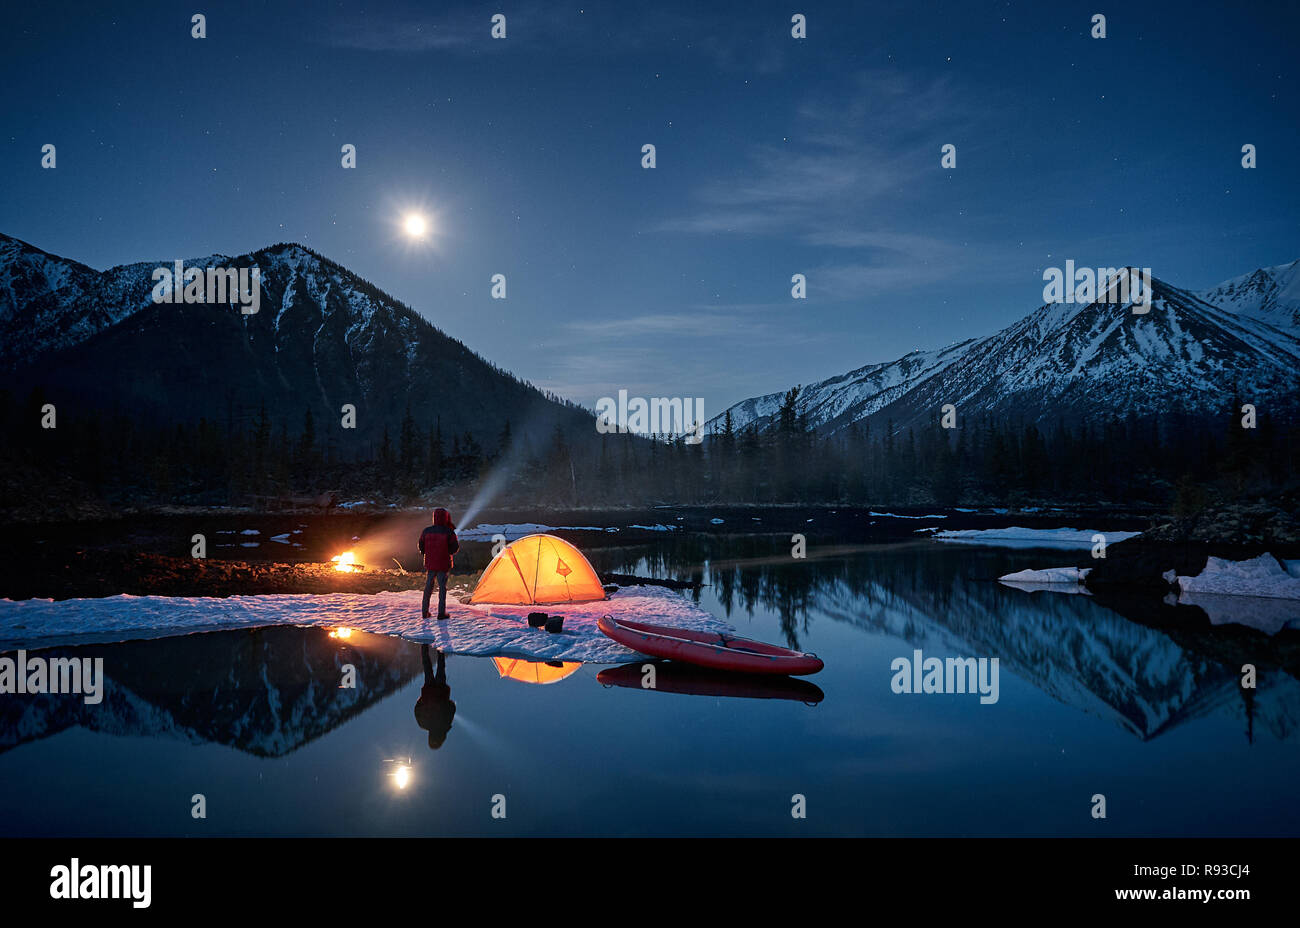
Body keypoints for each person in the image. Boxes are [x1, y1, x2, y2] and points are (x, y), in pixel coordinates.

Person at [418, 507, 459, 619]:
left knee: (428, 588)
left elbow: (421, 546)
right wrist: (447, 553)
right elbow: (454, 548)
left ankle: (424, 612)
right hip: (443, 563)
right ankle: (441, 613)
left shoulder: (426, 531)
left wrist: (429, 554)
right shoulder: (449, 532)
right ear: (445, 518)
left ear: (434, 518)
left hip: (430, 564)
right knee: (442, 588)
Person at [414, 645, 456, 750]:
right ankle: (424, 645)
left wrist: (447, 702)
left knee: (440, 666)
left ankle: (440, 645)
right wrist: (422, 700)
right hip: (428, 693)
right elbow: (416, 709)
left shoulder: (445, 725)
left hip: (441, 692)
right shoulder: (423, 724)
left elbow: (452, 708)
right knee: (427, 666)